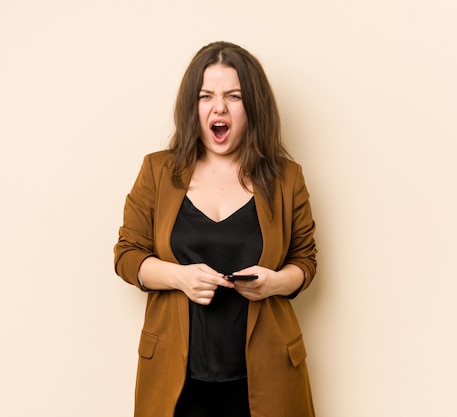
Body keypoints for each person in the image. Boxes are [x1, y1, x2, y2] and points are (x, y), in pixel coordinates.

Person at [114, 41, 317, 417]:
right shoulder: (158, 172)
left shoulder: (288, 178)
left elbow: (305, 262)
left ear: (252, 106)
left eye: (233, 95)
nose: (218, 106)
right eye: (206, 95)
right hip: (177, 378)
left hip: (267, 374)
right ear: (193, 106)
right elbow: (127, 257)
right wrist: (179, 277)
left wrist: (274, 283)